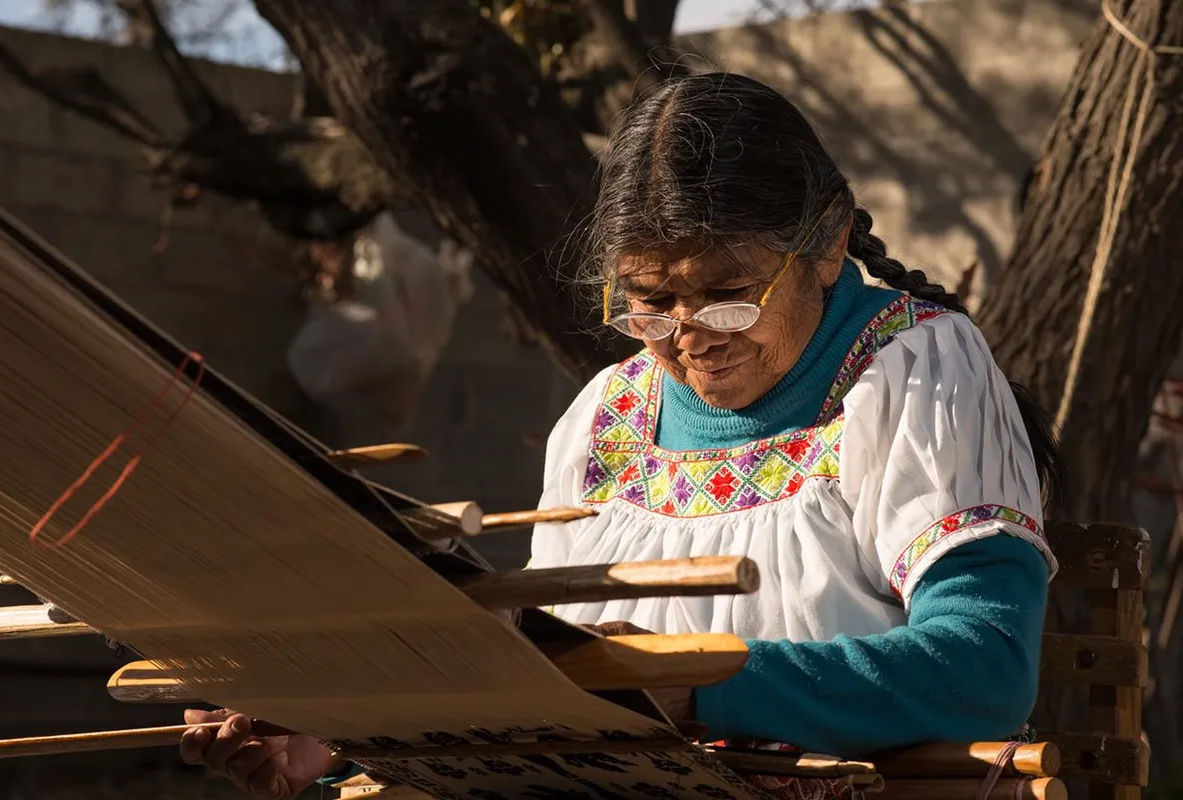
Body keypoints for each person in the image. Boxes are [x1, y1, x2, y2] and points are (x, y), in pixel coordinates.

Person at [180, 72, 1062, 799]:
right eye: (649, 301)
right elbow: (537, 689)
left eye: (730, 290)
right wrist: (341, 730)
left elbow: (982, 667)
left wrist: (692, 686)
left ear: (827, 246)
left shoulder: (911, 369)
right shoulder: (607, 417)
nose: (692, 333)